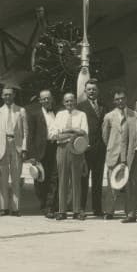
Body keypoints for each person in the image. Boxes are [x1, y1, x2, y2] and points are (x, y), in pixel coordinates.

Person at [0, 86, 26, 216]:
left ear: (14, 95)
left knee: (16, 179)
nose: (7, 97)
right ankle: (3, 208)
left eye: (10, 94)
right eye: (5, 95)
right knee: (3, 179)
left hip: (16, 146)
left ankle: (15, 209)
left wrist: (24, 149)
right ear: (2, 96)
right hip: (2, 147)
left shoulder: (21, 111)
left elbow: (26, 132)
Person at [52, 92, 89, 220]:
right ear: (63, 102)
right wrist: (73, 131)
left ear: (75, 102)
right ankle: (62, 210)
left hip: (76, 149)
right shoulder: (59, 115)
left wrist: (65, 131)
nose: (69, 103)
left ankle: (76, 210)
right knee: (62, 179)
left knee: (76, 180)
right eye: (67, 101)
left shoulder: (81, 115)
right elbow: (55, 134)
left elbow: (83, 132)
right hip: (62, 148)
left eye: (72, 101)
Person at [25, 89, 59, 217]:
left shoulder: (58, 112)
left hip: (55, 148)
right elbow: (31, 136)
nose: (46, 100)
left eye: (48, 98)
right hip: (41, 150)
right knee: (41, 179)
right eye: (43, 98)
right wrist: (32, 156)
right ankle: (44, 203)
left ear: (52, 99)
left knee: (55, 177)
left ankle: (51, 206)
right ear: (40, 100)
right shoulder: (34, 114)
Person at [78, 79, 107, 218]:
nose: (91, 91)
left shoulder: (104, 106)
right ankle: (81, 209)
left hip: (100, 149)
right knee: (83, 180)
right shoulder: (80, 107)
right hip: (86, 149)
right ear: (85, 91)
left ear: (98, 91)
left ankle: (97, 208)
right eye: (89, 89)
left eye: (94, 89)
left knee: (98, 180)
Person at [101, 89, 130, 219]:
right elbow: (105, 136)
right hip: (113, 154)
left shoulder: (133, 115)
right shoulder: (109, 116)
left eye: (122, 98)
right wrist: (112, 146)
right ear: (114, 101)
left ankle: (129, 211)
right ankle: (109, 211)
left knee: (129, 183)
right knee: (112, 184)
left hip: (129, 154)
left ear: (126, 99)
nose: (120, 101)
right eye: (117, 99)